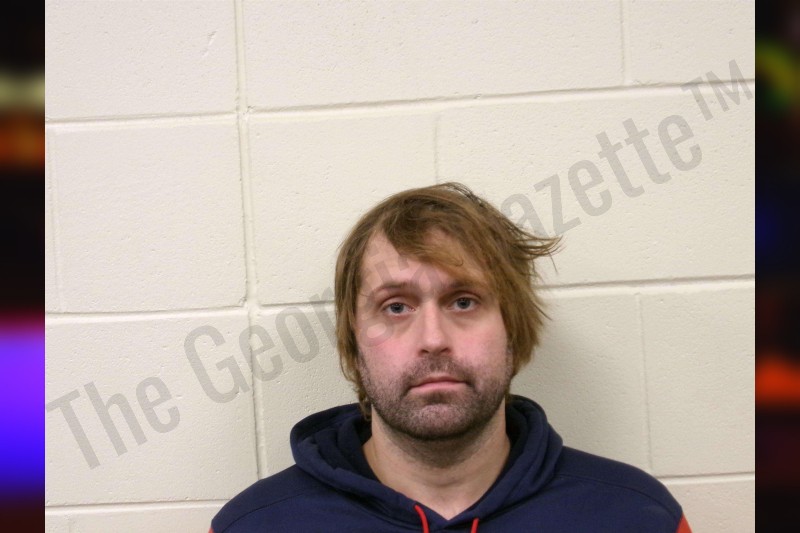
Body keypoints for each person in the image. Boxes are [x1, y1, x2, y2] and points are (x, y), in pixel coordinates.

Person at [210, 182, 692, 533]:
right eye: (396, 307)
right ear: (353, 344)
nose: (433, 339)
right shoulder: (254, 526)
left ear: (513, 329)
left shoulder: (636, 517)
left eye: (463, 301)